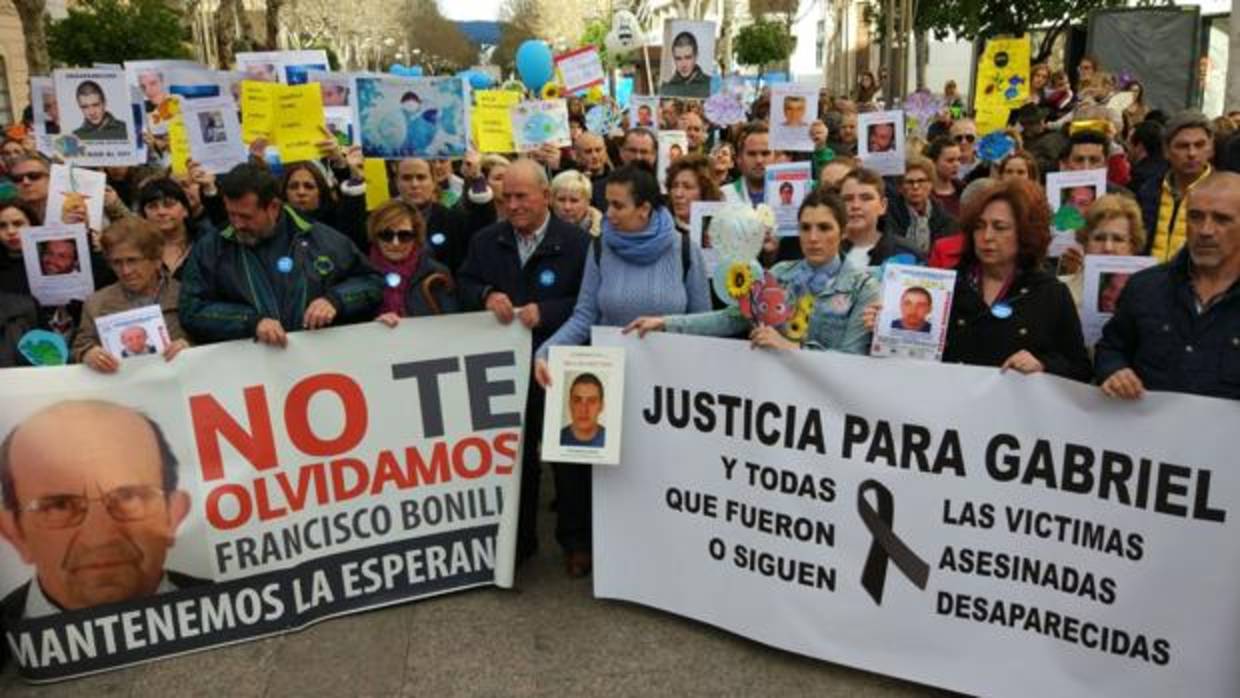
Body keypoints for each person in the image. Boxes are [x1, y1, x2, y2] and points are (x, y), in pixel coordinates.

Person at [533, 163, 708, 577]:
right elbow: (584, 314)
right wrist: (546, 351)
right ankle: (583, 543)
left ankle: (651, 548)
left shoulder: (685, 249)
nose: (607, 213)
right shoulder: (600, 248)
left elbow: (702, 318)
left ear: (645, 208)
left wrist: (670, 330)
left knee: (650, 470)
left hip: (665, 383)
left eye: (616, 205)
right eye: (606, 203)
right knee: (590, 467)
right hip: (607, 375)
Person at [457, 159, 590, 568]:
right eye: (507, 197)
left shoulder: (578, 243)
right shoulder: (486, 240)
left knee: (568, 457)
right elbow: (463, 282)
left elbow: (589, 302)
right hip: (505, 366)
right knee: (516, 458)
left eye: (521, 197)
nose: (512, 205)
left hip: (558, 362)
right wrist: (484, 295)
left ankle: (576, 542)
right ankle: (518, 540)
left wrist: (546, 311)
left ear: (545, 197)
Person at [0, 400, 206, 619]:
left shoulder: (229, 607)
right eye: (60, 506)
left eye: (128, 497)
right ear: (14, 532)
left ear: (173, 514)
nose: (99, 538)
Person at [626, 186, 879, 354]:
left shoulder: (863, 287)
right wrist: (665, 323)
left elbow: (850, 361)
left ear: (844, 232)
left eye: (824, 228)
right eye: (805, 227)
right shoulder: (779, 273)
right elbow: (731, 318)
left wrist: (791, 348)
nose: (813, 238)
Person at [178, 163, 382, 346]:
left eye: (246, 216)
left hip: (320, 369)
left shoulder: (322, 239)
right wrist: (249, 321)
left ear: (273, 207)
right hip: (250, 374)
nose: (237, 224)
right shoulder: (211, 248)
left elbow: (372, 283)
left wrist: (335, 300)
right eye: (231, 214)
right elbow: (191, 310)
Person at [1097, 172, 1240, 400]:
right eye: (1195, 217)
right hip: (1144, 432)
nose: (1205, 230)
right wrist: (1114, 371)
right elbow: (1112, 347)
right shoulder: (1145, 287)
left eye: (1222, 219)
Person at [935, 179, 1092, 380]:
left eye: (1000, 227)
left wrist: (1043, 365)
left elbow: (1080, 368)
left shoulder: (1050, 293)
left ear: (1025, 233)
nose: (987, 236)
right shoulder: (945, 286)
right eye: (979, 226)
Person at [74, 218, 190, 370]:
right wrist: (87, 354)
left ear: (156, 261)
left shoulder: (185, 296)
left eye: (133, 260)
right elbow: (80, 346)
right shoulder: (95, 303)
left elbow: (211, 340)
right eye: (117, 262)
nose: (125, 271)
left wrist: (189, 347)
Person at [1138, 111, 1215, 262]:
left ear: (1211, 149)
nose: (1192, 153)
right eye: (1182, 146)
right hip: (1150, 280)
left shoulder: (1225, 193)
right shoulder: (1148, 190)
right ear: (1166, 151)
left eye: (1199, 145)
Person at [366, 199, 459, 324]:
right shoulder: (361, 274)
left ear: (417, 237)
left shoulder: (436, 274)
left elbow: (451, 324)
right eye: (386, 235)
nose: (395, 243)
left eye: (404, 236)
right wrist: (373, 325)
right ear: (375, 236)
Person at [1059, 194, 1147, 308]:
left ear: (1133, 245)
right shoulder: (1060, 291)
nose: (1108, 247)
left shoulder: (1149, 294)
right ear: (1085, 242)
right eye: (1099, 238)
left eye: (1118, 239)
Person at [393, 158, 471, 272]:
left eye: (421, 177)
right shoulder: (382, 220)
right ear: (397, 183)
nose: (414, 185)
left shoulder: (454, 220)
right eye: (406, 178)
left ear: (434, 182)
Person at [885, 156, 958, 260]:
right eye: (909, 182)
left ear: (931, 184)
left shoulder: (945, 220)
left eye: (921, 181)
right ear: (900, 187)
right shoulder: (888, 217)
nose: (915, 186)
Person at [137, 178, 197, 278]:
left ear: (185, 210)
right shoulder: (137, 247)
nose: (161, 212)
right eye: (152, 207)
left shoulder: (204, 242)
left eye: (169, 205)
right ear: (144, 215)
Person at [722, 122, 771, 207]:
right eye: (751, 154)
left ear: (776, 157)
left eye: (765, 153)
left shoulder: (794, 196)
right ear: (738, 158)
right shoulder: (724, 196)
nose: (759, 160)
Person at [660, 31, 711, 98]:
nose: (683, 64)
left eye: (688, 58)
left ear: (696, 56)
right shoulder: (665, 90)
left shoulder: (711, 85)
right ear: (674, 59)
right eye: (678, 58)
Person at [550, 170, 602, 236]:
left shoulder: (605, 233)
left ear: (588, 202)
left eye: (574, 201)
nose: (567, 207)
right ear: (552, 200)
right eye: (561, 200)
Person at [560, 373, 605, 447]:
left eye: (591, 401)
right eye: (577, 400)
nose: (584, 410)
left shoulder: (610, 441)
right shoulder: (558, 439)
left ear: (601, 406)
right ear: (570, 404)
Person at [1127, 120, 1167, 197]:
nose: (1126, 149)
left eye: (1129, 144)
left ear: (1139, 147)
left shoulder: (1138, 179)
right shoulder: (1170, 172)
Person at [574, 132, 612, 211]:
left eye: (598, 150)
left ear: (605, 151)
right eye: (588, 151)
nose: (594, 156)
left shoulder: (619, 179)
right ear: (577, 156)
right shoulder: (571, 182)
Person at [927, 136, 963, 217]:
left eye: (959, 159)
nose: (956, 165)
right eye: (950, 160)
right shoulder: (924, 195)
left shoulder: (965, 191)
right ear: (933, 162)